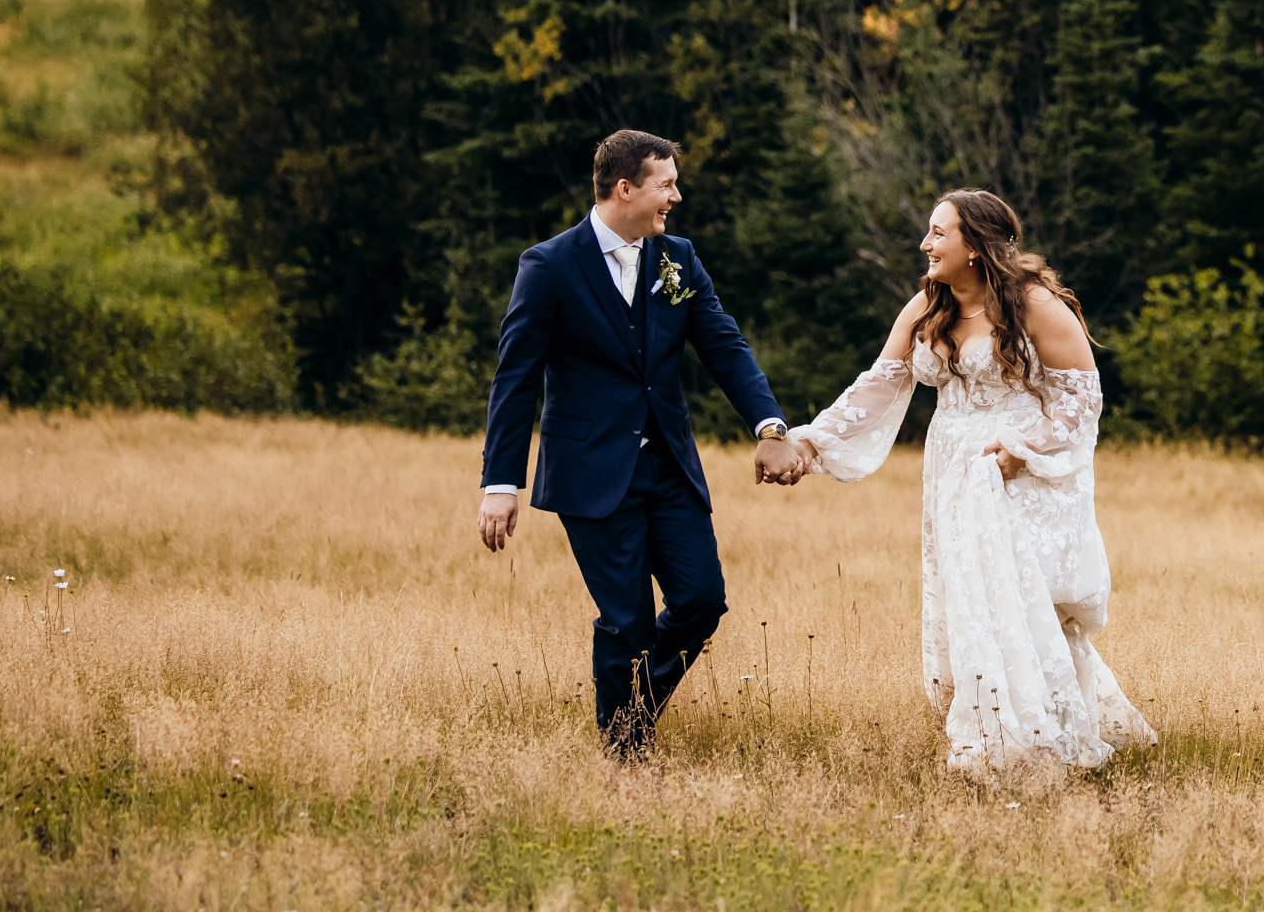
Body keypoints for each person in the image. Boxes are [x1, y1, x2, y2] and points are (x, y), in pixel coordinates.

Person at [790, 188, 1154, 781]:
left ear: (977, 245)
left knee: (1011, 598)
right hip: (951, 470)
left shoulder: (1034, 304)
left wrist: (1022, 450)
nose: (925, 244)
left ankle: (1031, 733)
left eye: (939, 233)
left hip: (1011, 471)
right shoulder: (927, 306)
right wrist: (809, 440)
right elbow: (878, 386)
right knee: (964, 595)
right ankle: (991, 721)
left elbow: (1082, 397)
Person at [476, 129, 806, 756]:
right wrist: (500, 484)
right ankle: (626, 752)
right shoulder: (547, 265)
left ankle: (627, 721)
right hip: (589, 471)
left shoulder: (677, 259)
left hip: (670, 469)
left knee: (702, 601)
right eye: (666, 184)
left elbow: (725, 347)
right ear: (625, 189)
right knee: (625, 619)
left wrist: (769, 427)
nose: (675, 197)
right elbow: (514, 380)